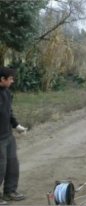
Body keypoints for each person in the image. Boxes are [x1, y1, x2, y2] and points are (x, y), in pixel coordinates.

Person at [0, 66, 27, 205]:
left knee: (12, 165)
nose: (12, 81)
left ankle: (9, 192)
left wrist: (16, 125)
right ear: (2, 79)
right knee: (0, 167)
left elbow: (8, 111)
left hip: (8, 136)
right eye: (10, 79)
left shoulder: (7, 93)